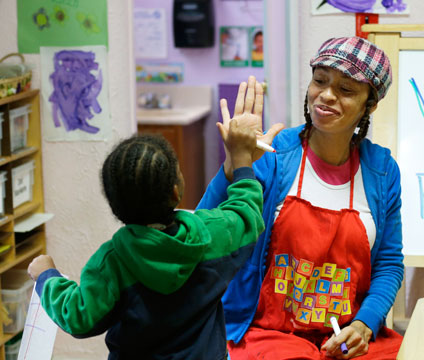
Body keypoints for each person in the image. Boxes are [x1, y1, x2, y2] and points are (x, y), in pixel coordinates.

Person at [197, 36, 404, 359]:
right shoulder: (272, 155)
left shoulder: (383, 171)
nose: (327, 95)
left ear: (371, 104)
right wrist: (233, 164)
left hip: (346, 339)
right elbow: (202, 232)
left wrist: (364, 325)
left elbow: (389, 264)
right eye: (319, 81)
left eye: (346, 90)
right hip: (267, 333)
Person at [27, 108, 266, 359]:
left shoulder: (112, 263)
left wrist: (47, 276)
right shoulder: (212, 234)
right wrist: (241, 160)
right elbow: (247, 213)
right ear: (176, 192)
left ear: (114, 204)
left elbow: (77, 316)